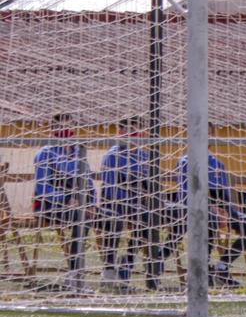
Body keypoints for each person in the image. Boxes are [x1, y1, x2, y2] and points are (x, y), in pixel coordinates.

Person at [96, 116, 164, 291]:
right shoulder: (112, 156)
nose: (133, 134)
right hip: (113, 205)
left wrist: (155, 198)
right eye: (127, 130)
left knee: (150, 219)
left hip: (138, 206)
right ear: (120, 132)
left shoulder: (144, 156)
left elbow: (152, 186)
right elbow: (110, 190)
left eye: (136, 130)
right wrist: (134, 200)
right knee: (117, 219)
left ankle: (131, 263)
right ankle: (109, 269)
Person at [172, 150, 246, 288]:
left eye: (209, 130)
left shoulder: (217, 163)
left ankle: (222, 267)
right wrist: (211, 209)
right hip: (195, 210)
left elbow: (223, 194)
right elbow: (186, 197)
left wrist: (226, 211)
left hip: (220, 210)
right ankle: (204, 271)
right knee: (208, 219)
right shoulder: (185, 162)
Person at [32, 113, 93, 292]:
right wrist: (66, 199)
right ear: (53, 129)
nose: (67, 130)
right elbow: (43, 188)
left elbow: (88, 182)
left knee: (112, 218)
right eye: (62, 126)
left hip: (78, 205)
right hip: (47, 206)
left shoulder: (79, 152)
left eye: (70, 125)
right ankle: (74, 275)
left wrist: (92, 202)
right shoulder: (45, 153)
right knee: (80, 218)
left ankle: (112, 271)